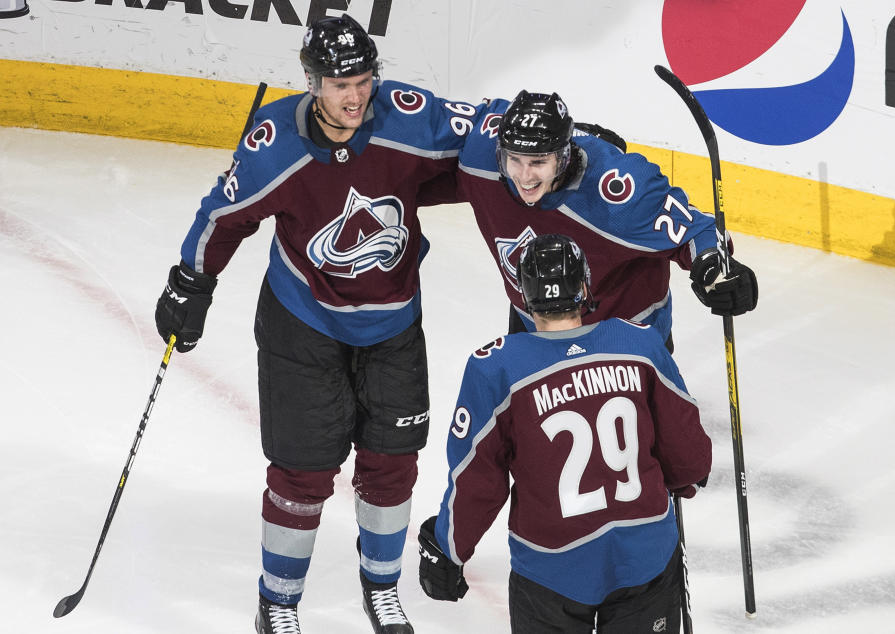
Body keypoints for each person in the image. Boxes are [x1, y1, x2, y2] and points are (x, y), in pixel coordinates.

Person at [153, 14, 489, 634]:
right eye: (339, 84)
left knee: (392, 465)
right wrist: (191, 280)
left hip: (392, 324)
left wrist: (564, 143)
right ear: (311, 82)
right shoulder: (274, 144)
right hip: (301, 323)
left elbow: (490, 128)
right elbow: (223, 215)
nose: (355, 96)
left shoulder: (407, 117)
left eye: (363, 80)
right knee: (302, 473)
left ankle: (382, 592)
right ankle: (278, 602)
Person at [416, 234, 712, 633]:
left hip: (550, 569)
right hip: (646, 554)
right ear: (585, 287)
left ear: (523, 295)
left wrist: (450, 548)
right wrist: (686, 476)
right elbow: (687, 447)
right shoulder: (637, 343)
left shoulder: (499, 369)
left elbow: (477, 480)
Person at [421, 90, 759, 349]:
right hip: (534, 321)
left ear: (564, 155)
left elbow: (698, 229)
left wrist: (714, 267)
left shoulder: (620, 195)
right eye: (515, 160)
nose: (524, 176)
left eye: (538, 162)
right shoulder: (481, 157)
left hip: (624, 334)